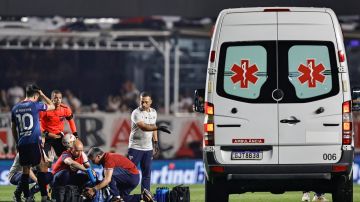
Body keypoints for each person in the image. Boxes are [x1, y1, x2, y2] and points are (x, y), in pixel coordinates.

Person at [11, 84, 55, 202]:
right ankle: (45, 197)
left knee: (25, 171)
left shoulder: (15, 108)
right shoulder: (35, 105)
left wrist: (17, 143)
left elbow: (13, 127)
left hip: (22, 143)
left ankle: (27, 197)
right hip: (34, 142)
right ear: (35, 95)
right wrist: (43, 95)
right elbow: (52, 106)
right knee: (42, 168)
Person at [127, 91, 170, 192]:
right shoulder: (136, 113)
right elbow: (144, 127)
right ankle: (123, 194)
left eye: (146, 102)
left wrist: (155, 142)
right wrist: (159, 128)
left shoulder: (153, 112)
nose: (143, 104)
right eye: (142, 102)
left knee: (147, 174)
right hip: (135, 147)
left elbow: (153, 127)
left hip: (148, 148)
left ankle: (145, 196)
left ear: (151, 102)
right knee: (129, 172)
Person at [86, 147, 154, 202]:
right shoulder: (107, 158)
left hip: (131, 176)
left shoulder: (108, 159)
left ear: (98, 156)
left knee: (108, 176)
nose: (93, 163)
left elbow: (108, 179)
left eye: (93, 160)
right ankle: (143, 197)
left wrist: (94, 189)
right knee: (124, 198)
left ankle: (116, 197)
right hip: (132, 177)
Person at [40, 89, 78, 157]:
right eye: (56, 98)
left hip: (58, 136)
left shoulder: (65, 109)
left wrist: (75, 134)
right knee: (46, 160)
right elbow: (38, 124)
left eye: (60, 98)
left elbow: (71, 122)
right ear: (51, 99)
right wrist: (46, 133)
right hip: (46, 136)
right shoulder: (45, 109)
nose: (58, 100)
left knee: (65, 157)